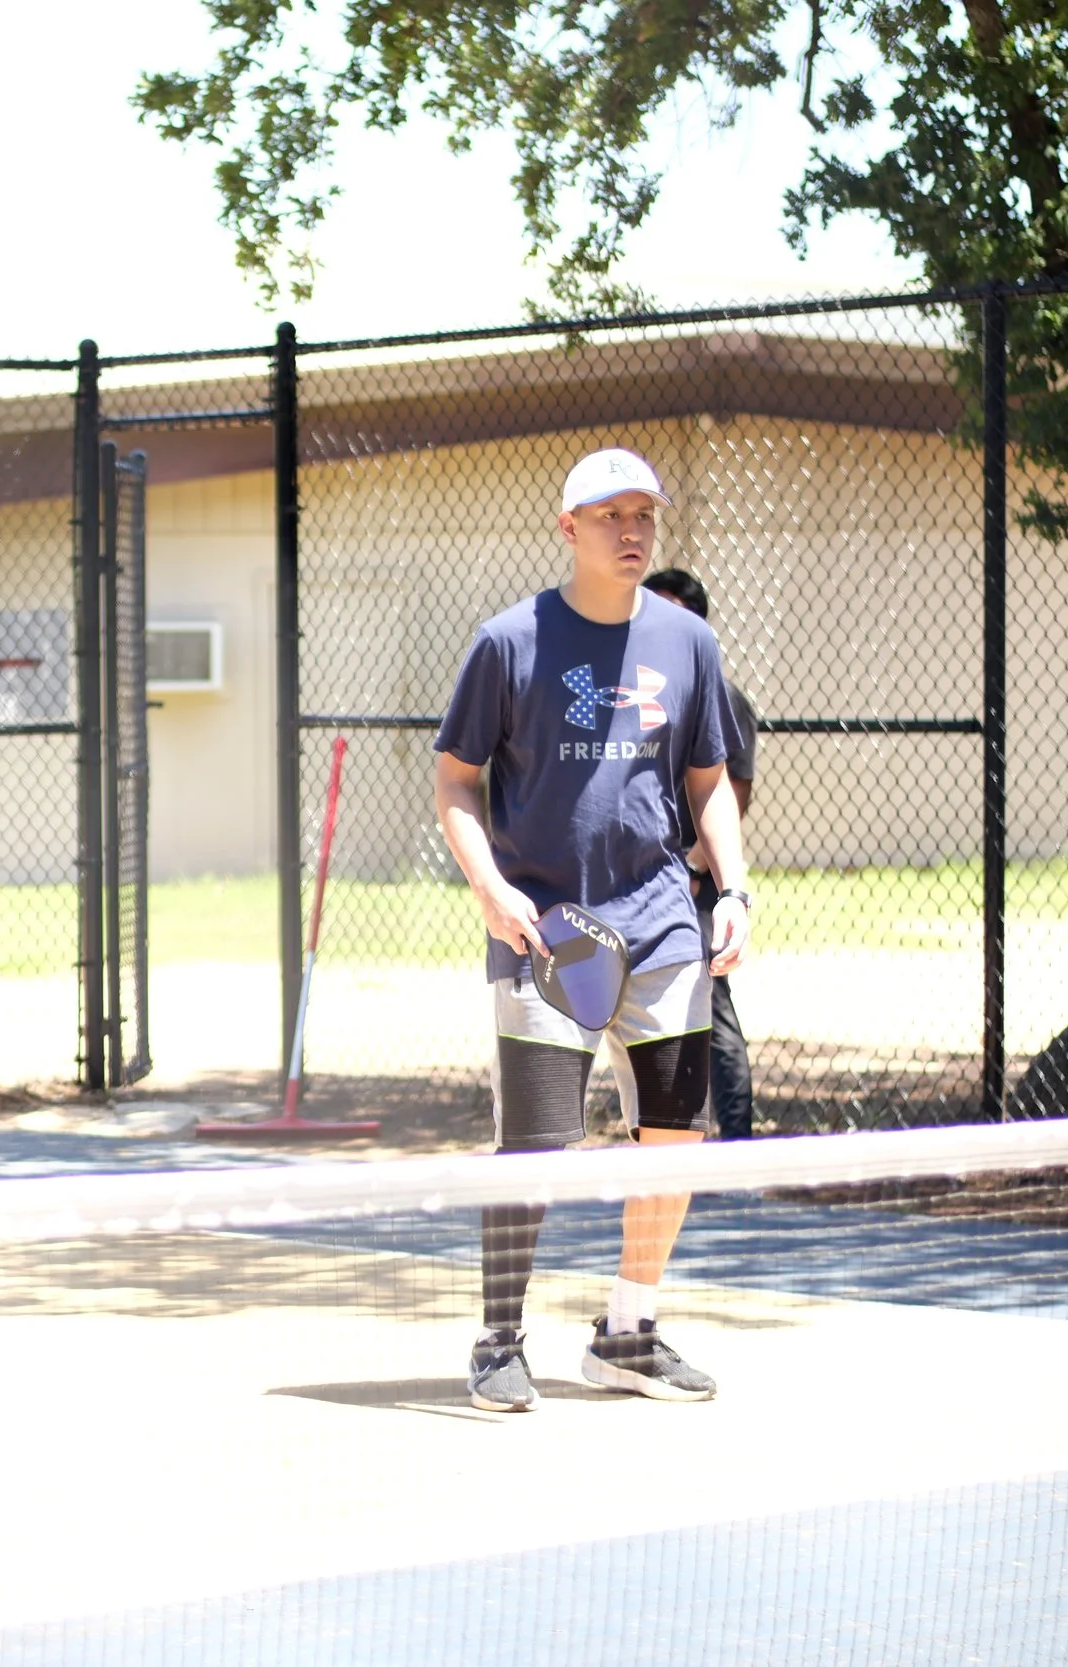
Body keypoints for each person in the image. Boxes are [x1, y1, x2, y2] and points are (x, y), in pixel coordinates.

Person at [432, 448, 751, 1413]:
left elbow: (708, 782)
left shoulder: (688, 642)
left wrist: (734, 888)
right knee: (533, 1145)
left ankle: (628, 1333)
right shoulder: (508, 641)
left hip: (664, 929)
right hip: (546, 934)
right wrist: (491, 888)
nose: (631, 530)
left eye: (643, 513)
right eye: (610, 515)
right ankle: (498, 1340)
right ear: (568, 528)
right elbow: (455, 780)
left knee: (674, 1137)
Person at [636, 566, 758, 1142]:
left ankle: (736, 1145)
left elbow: (733, 790)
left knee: (711, 1007)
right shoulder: (641, 689)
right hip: (645, 880)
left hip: (692, 882)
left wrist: (693, 867)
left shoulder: (721, 695)